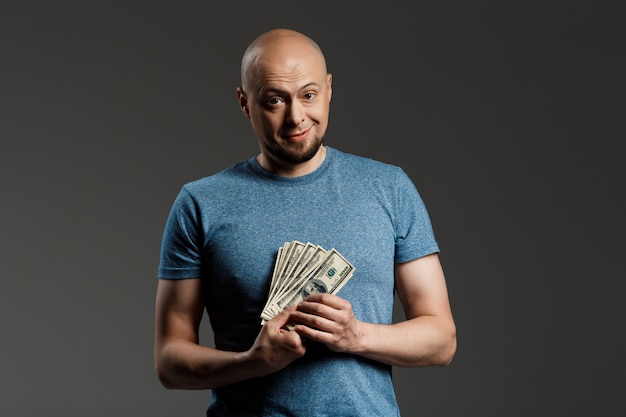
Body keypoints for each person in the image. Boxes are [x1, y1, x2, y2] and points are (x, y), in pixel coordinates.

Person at [154, 28, 456, 416]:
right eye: (275, 100)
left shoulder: (389, 187)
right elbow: (169, 361)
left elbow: (441, 339)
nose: (297, 116)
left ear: (329, 89)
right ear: (245, 104)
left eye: (309, 95)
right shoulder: (200, 203)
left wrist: (356, 335)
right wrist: (252, 361)